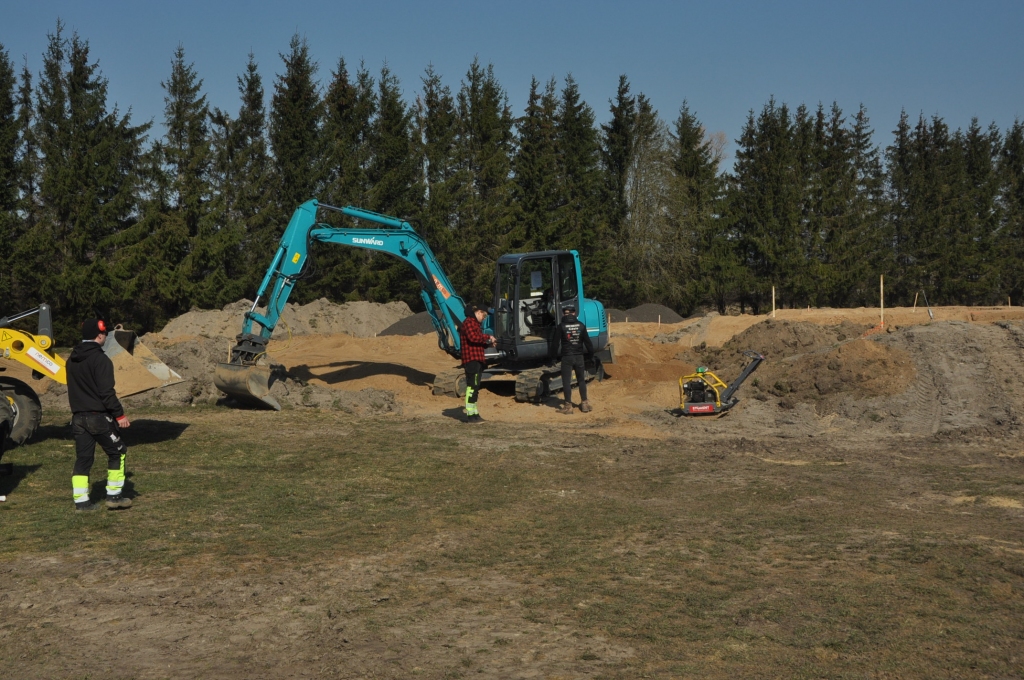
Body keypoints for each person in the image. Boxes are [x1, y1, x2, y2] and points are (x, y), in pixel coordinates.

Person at [66, 318, 132, 511]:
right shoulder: (101, 359)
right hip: (98, 417)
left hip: (78, 418)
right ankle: (114, 496)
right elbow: (106, 392)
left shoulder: (71, 359)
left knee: (84, 459)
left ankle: (81, 502)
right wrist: (119, 415)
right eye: (105, 335)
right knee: (118, 452)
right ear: (100, 335)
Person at [458, 305, 496, 423]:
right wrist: (488, 337)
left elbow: (477, 342)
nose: (484, 318)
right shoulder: (469, 322)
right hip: (472, 360)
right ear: (479, 312)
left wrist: (488, 344)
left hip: (477, 359)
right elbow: (473, 338)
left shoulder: (475, 324)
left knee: (475, 386)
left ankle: (474, 413)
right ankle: (471, 414)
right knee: (472, 386)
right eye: (484, 315)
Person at [556, 305, 595, 414]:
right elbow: (588, 344)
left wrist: (553, 358)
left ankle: (568, 407)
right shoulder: (581, 326)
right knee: (581, 380)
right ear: (574, 313)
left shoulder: (561, 326)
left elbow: (555, 344)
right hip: (579, 357)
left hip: (567, 357)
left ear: (564, 314)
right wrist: (591, 356)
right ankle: (585, 404)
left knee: (566, 382)